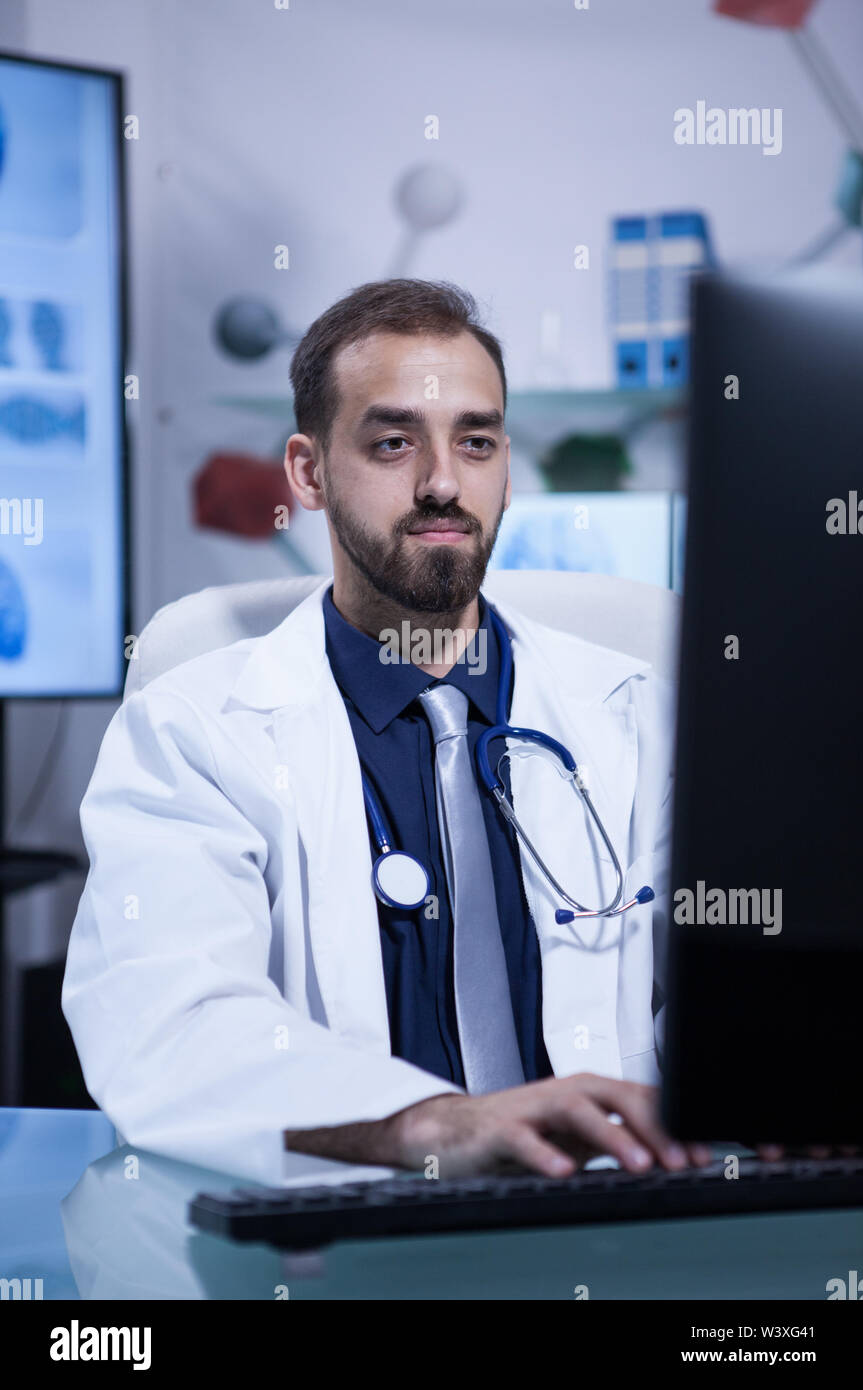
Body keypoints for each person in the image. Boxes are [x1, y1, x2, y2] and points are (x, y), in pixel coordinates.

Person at [63, 279, 710, 1187]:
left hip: (616, 1220)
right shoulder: (192, 734)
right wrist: (430, 1126)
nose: (444, 483)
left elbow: (740, 999)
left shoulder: (643, 716)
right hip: (354, 1231)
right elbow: (170, 1022)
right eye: (393, 442)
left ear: (507, 468)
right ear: (309, 472)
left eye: (476, 442)